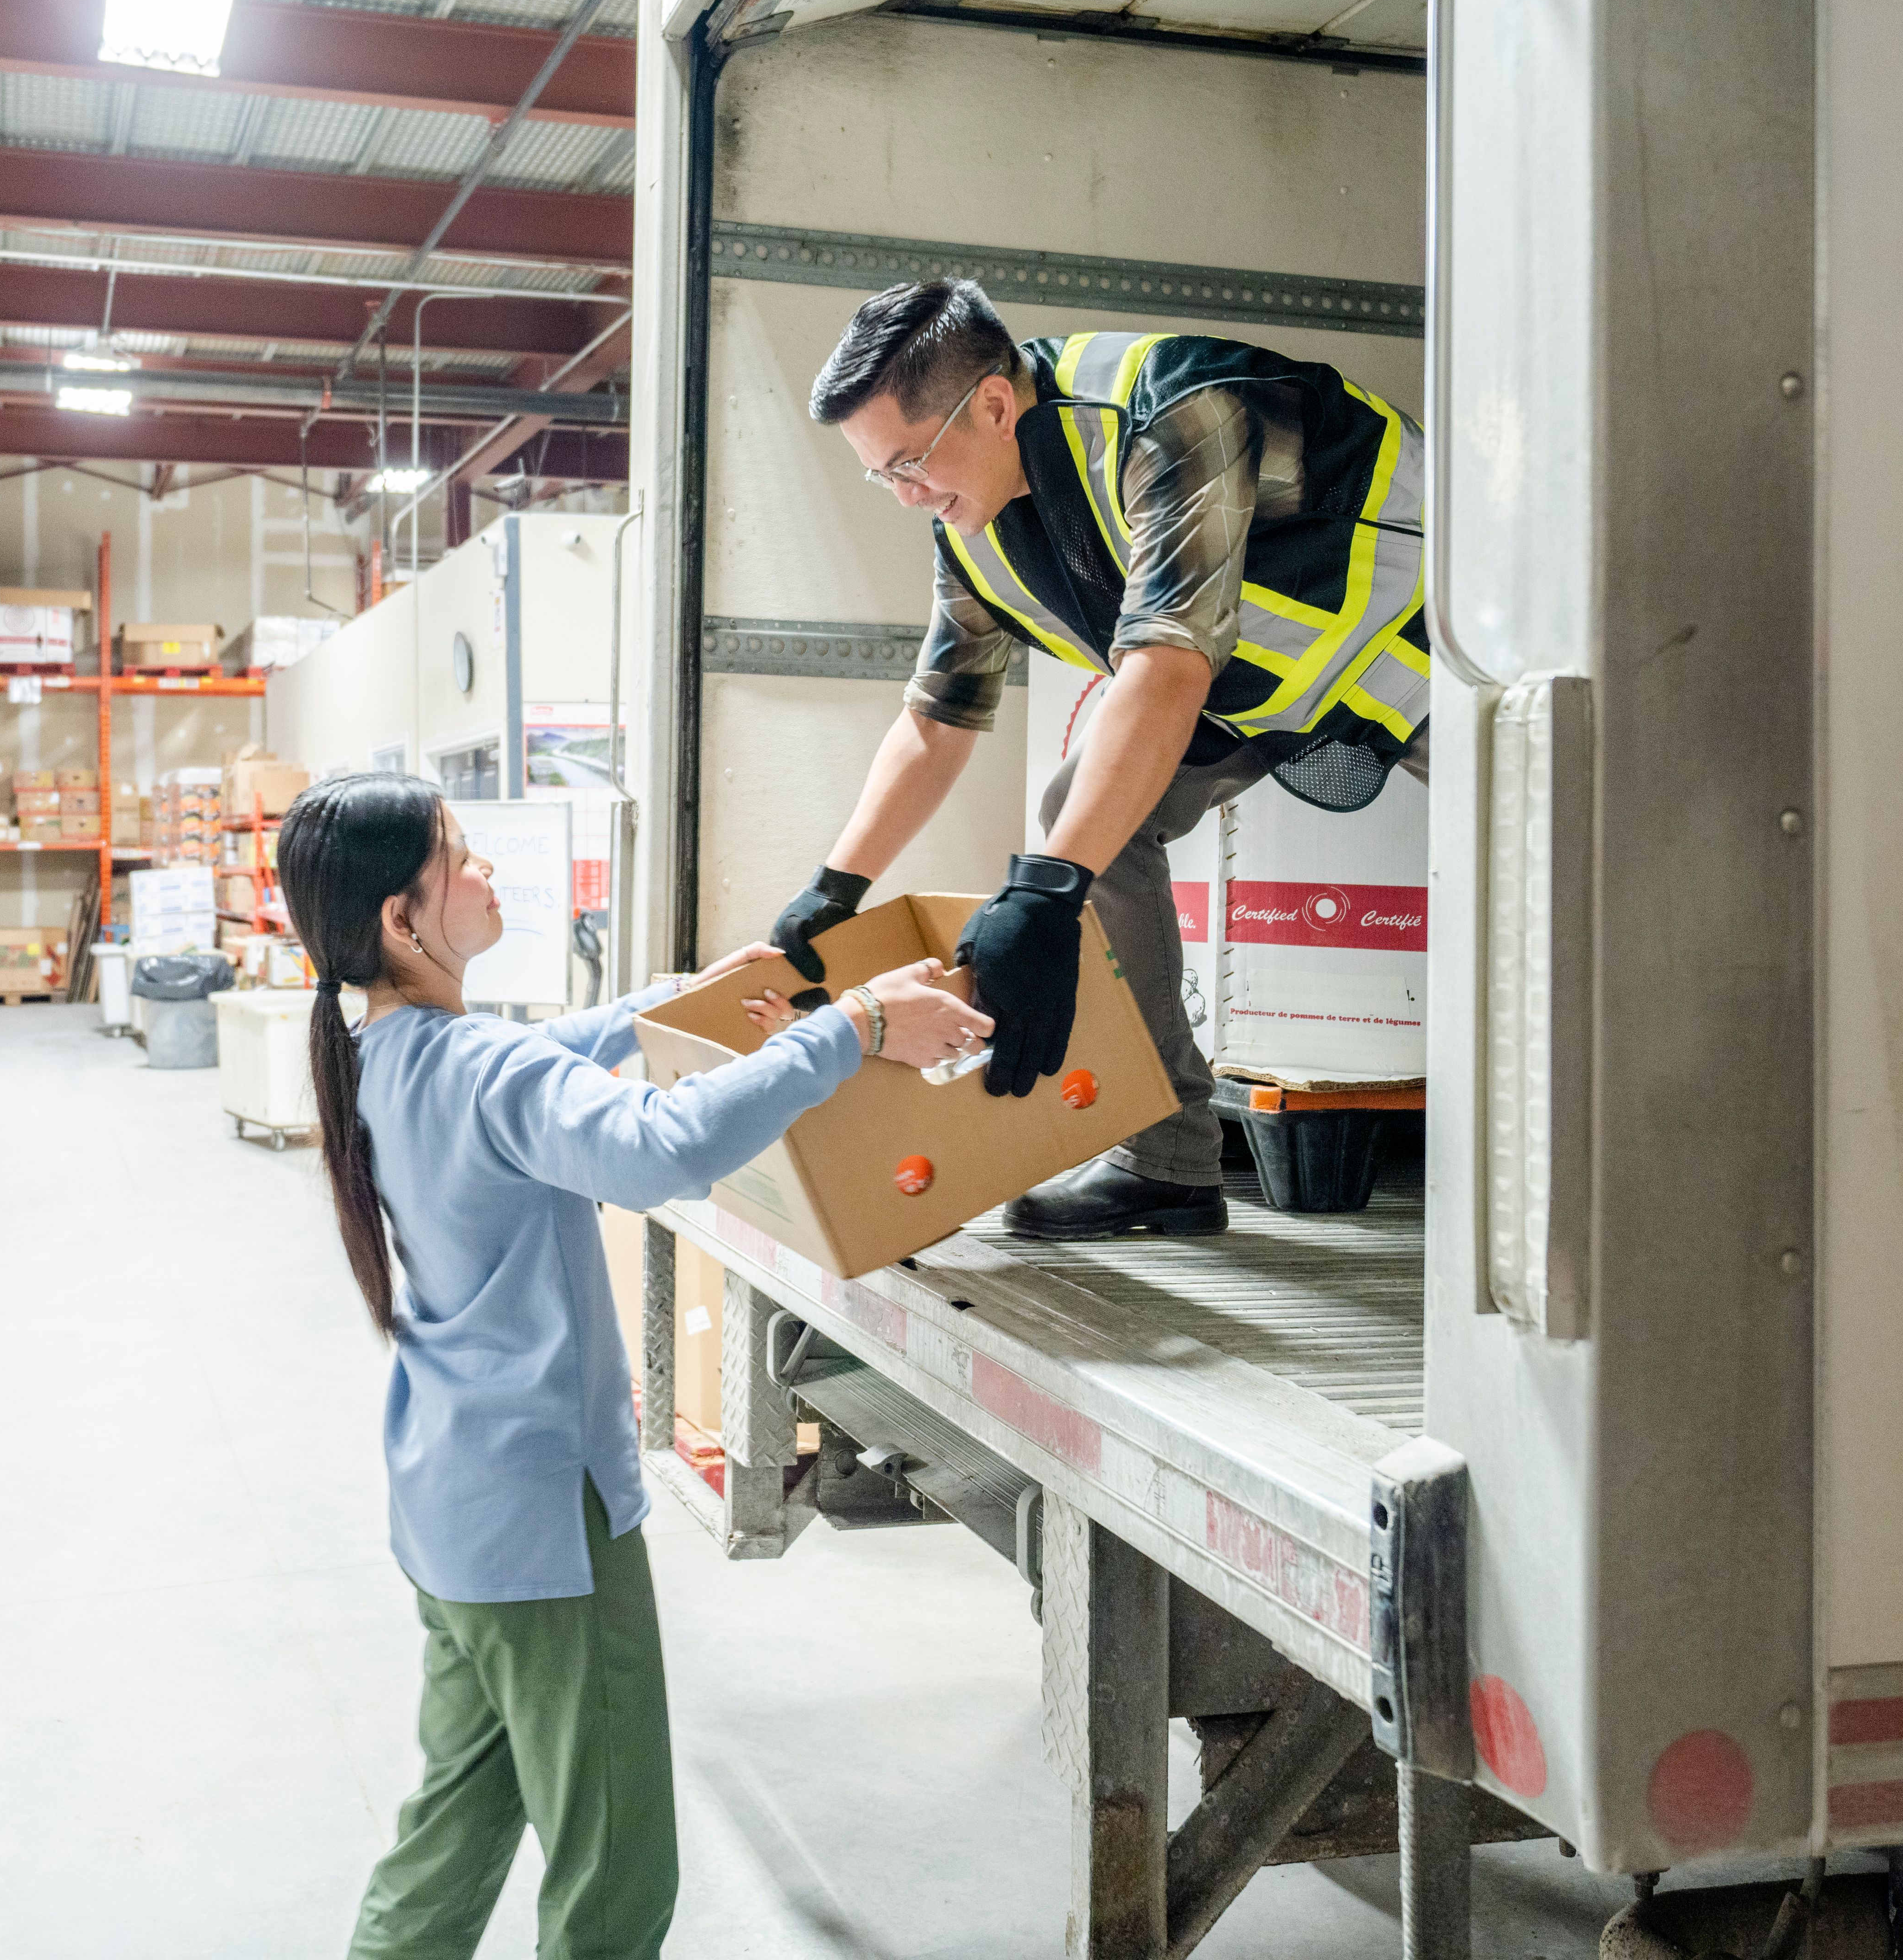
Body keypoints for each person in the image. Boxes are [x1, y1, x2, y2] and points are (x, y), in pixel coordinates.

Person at [279, 773, 987, 1960]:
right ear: (404, 921)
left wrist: (693, 994)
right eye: (462, 858)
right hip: (546, 1523)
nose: (489, 872)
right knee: (617, 1871)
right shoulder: (484, 1073)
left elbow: (555, 1054)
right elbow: (664, 1149)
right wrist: (855, 1027)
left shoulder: (382, 1055)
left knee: (451, 1833)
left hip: (454, 1514)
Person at [774, 279, 1431, 1240]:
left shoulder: (1172, 409)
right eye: (884, 476)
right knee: (1086, 810)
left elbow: (1165, 667)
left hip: (1442, 646)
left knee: (1579, 872)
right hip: (1263, 687)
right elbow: (940, 716)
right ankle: (1168, 1165)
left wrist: (1045, 894)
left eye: (909, 463)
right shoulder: (970, 522)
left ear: (994, 406)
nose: (907, 495)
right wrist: (835, 889)